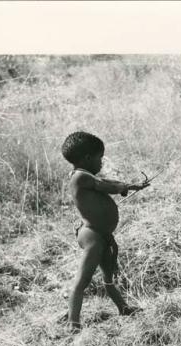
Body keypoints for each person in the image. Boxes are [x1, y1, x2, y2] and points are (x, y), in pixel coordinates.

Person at [60, 131, 149, 332]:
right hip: (92, 236)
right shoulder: (80, 177)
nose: (101, 162)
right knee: (82, 280)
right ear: (88, 158)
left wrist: (129, 186)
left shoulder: (87, 175)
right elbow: (104, 186)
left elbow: (107, 183)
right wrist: (126, 186)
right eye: (100, 158)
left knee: (109, 278)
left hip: (102, 235)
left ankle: (123, 308)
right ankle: (73, 323)